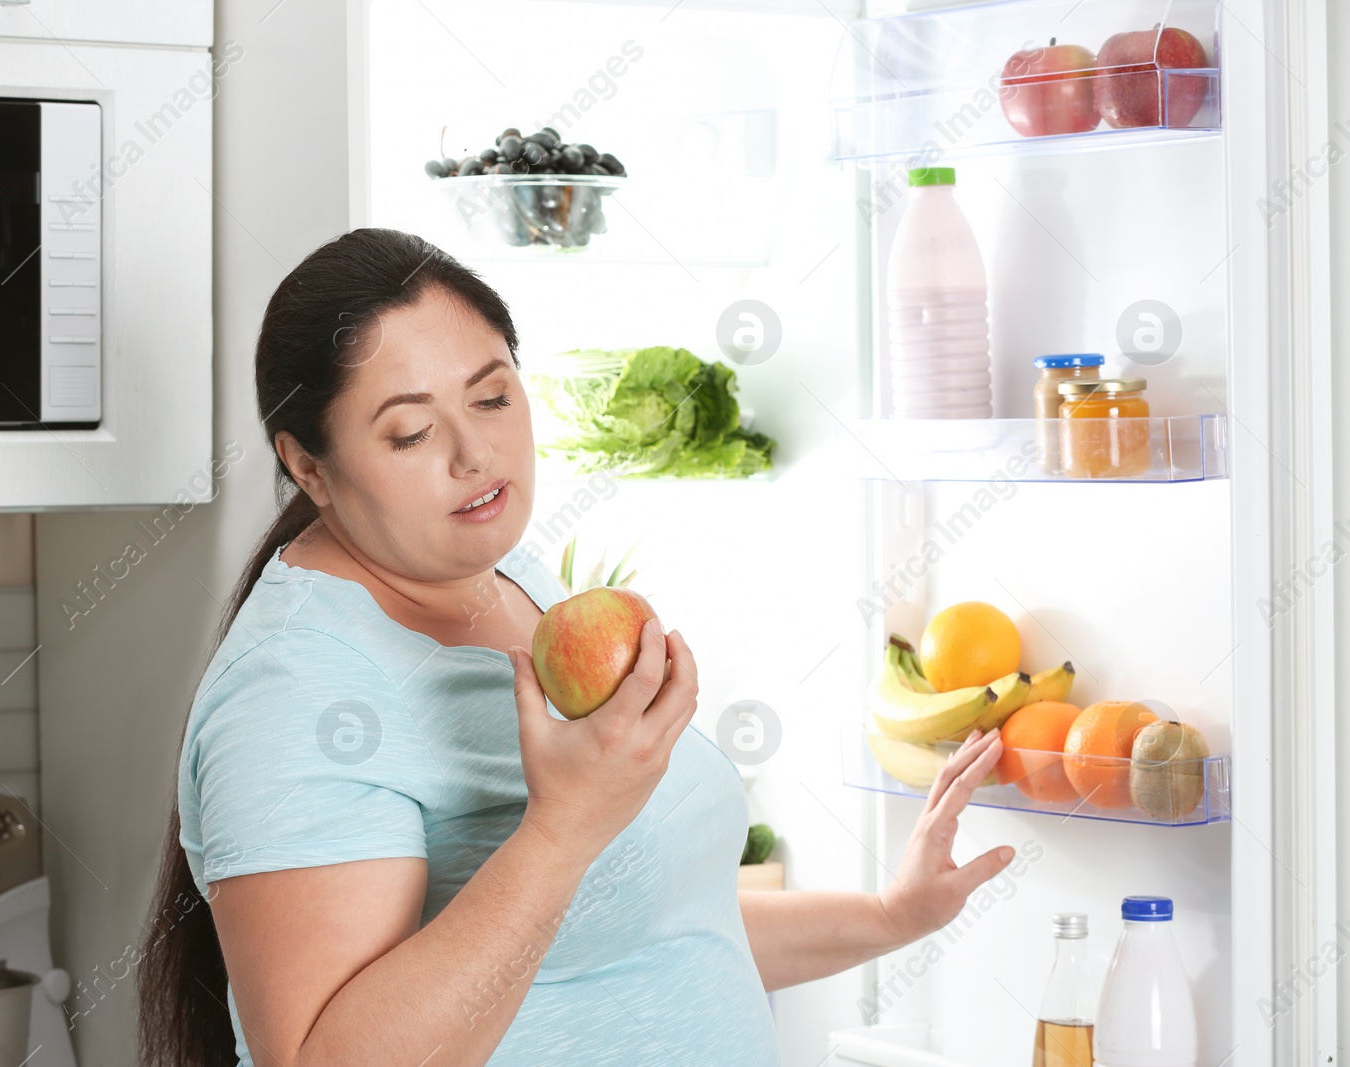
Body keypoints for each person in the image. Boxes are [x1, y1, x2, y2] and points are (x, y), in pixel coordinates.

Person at [136, 228, 1014, 1067]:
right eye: (410, 432)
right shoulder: (296, 695)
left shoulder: (513, 577)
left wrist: (893, 915)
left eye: (491, 396)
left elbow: (652, 920)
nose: (475, 452)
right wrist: (563, 827)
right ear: (310, 467)